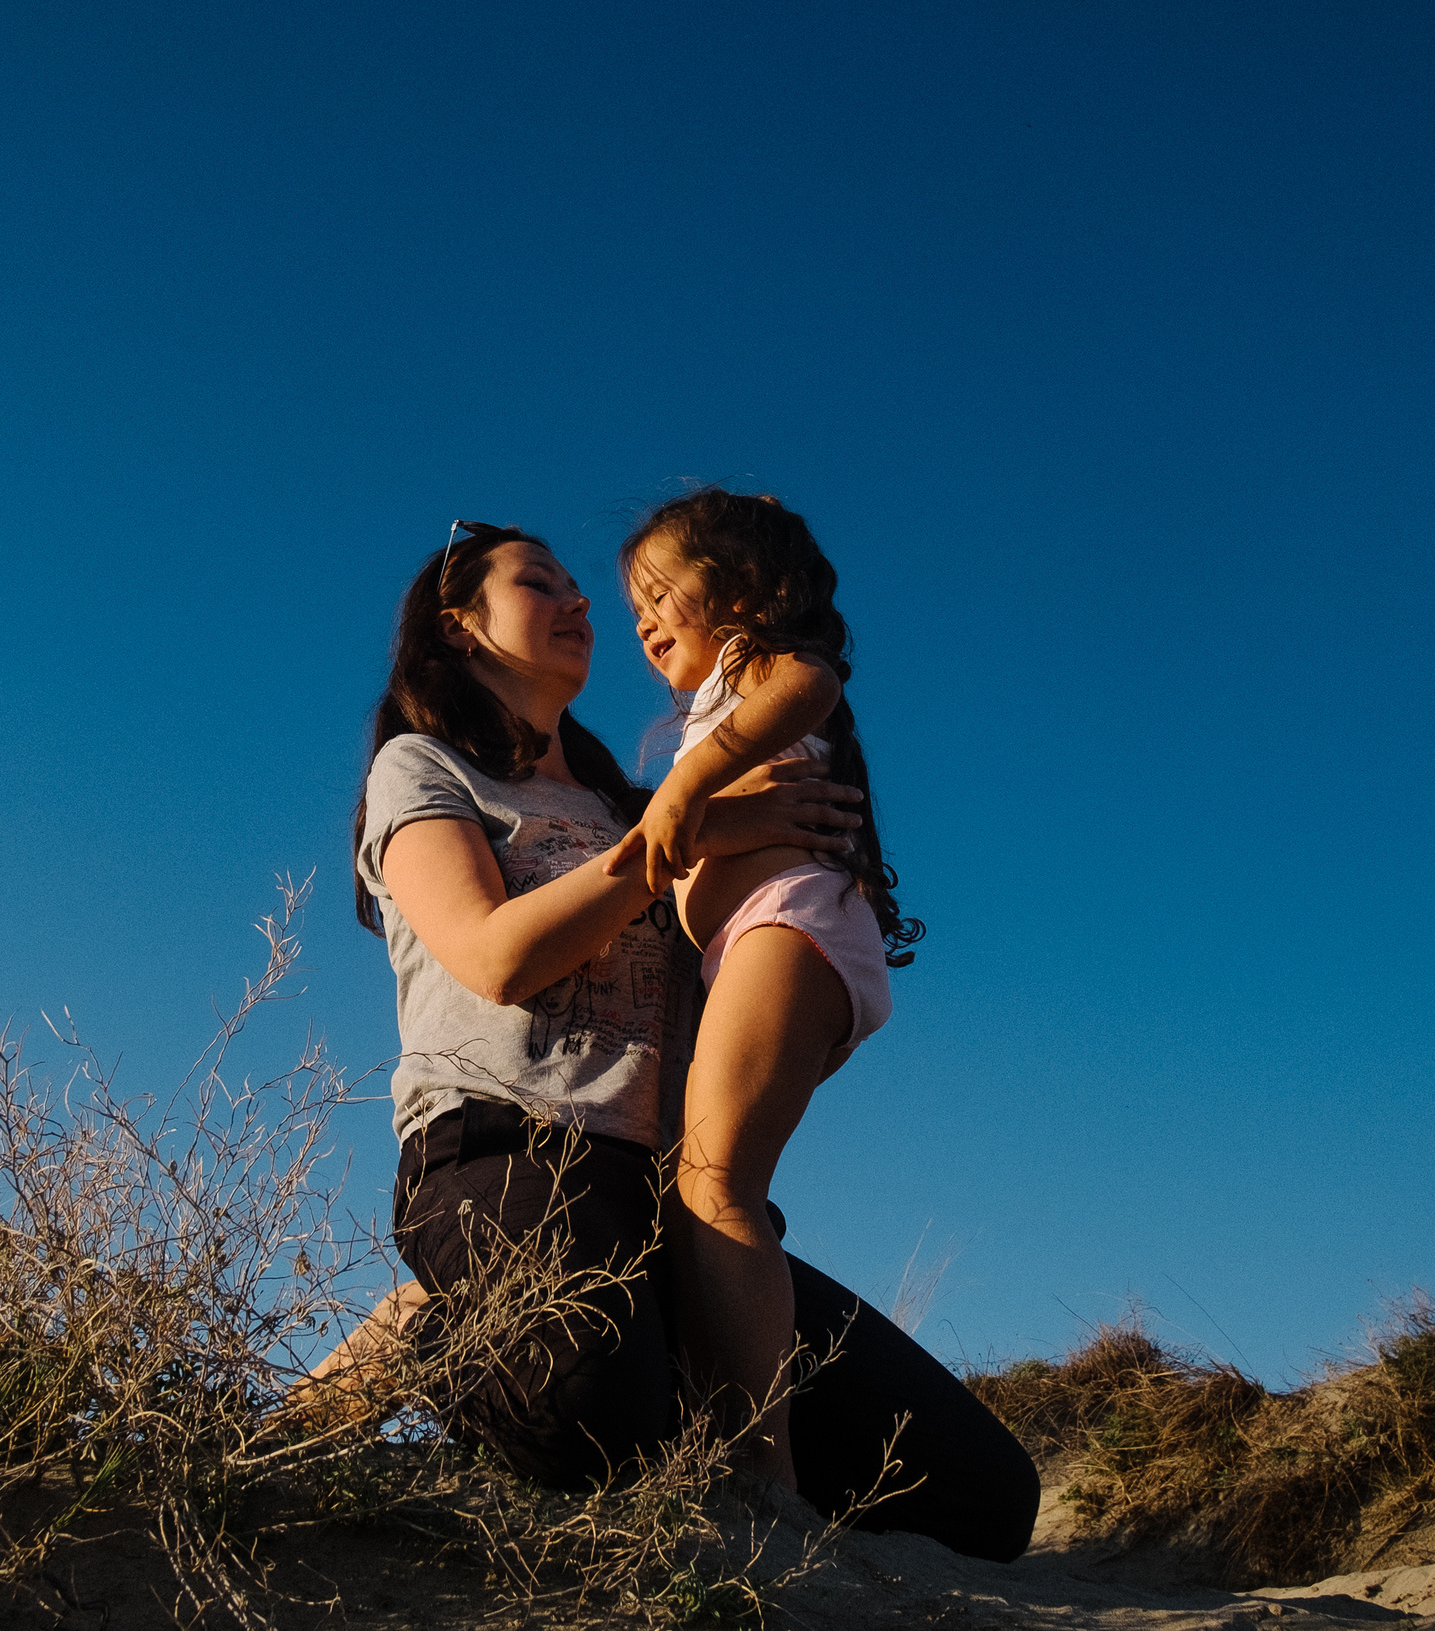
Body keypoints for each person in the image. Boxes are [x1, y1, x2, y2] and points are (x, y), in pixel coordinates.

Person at [349, 519, 1037, 1562]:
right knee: (592, 1424)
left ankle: (624, 1358)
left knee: (984, 1500)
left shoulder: (650, 800)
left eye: (588, 591)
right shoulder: (427, 770)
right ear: (456, 628)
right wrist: (678, 834)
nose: (583, 607)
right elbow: (494, 957)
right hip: (511, 1153)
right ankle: (439, 1327)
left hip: (672, 1199)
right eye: (542, 584)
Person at [610, 487, 918, 1493]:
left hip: (791, 924)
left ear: (753, 592)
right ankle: (720, 1437)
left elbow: (811, 682)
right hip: (756, 943)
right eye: (636, 610)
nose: (647, 621)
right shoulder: (710, 711)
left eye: (664, 592)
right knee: (701, 1187)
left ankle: (761, 1475)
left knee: (717, 1186)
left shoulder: (763, 671)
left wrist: (690, 789)